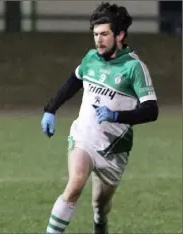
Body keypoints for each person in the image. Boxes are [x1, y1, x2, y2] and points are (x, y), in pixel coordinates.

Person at [40, 3, 159, 234]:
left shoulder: (134, 67)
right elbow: (74, 80)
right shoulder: (91, 58)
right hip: (84, 135)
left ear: (120, 35)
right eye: (95, 34)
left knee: (100, 205)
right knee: (75, 184)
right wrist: (50, 109)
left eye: (104, 34)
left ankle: (100, 221)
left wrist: (117, 116)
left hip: (114, 149)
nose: (98, 40)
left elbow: (152, 110)